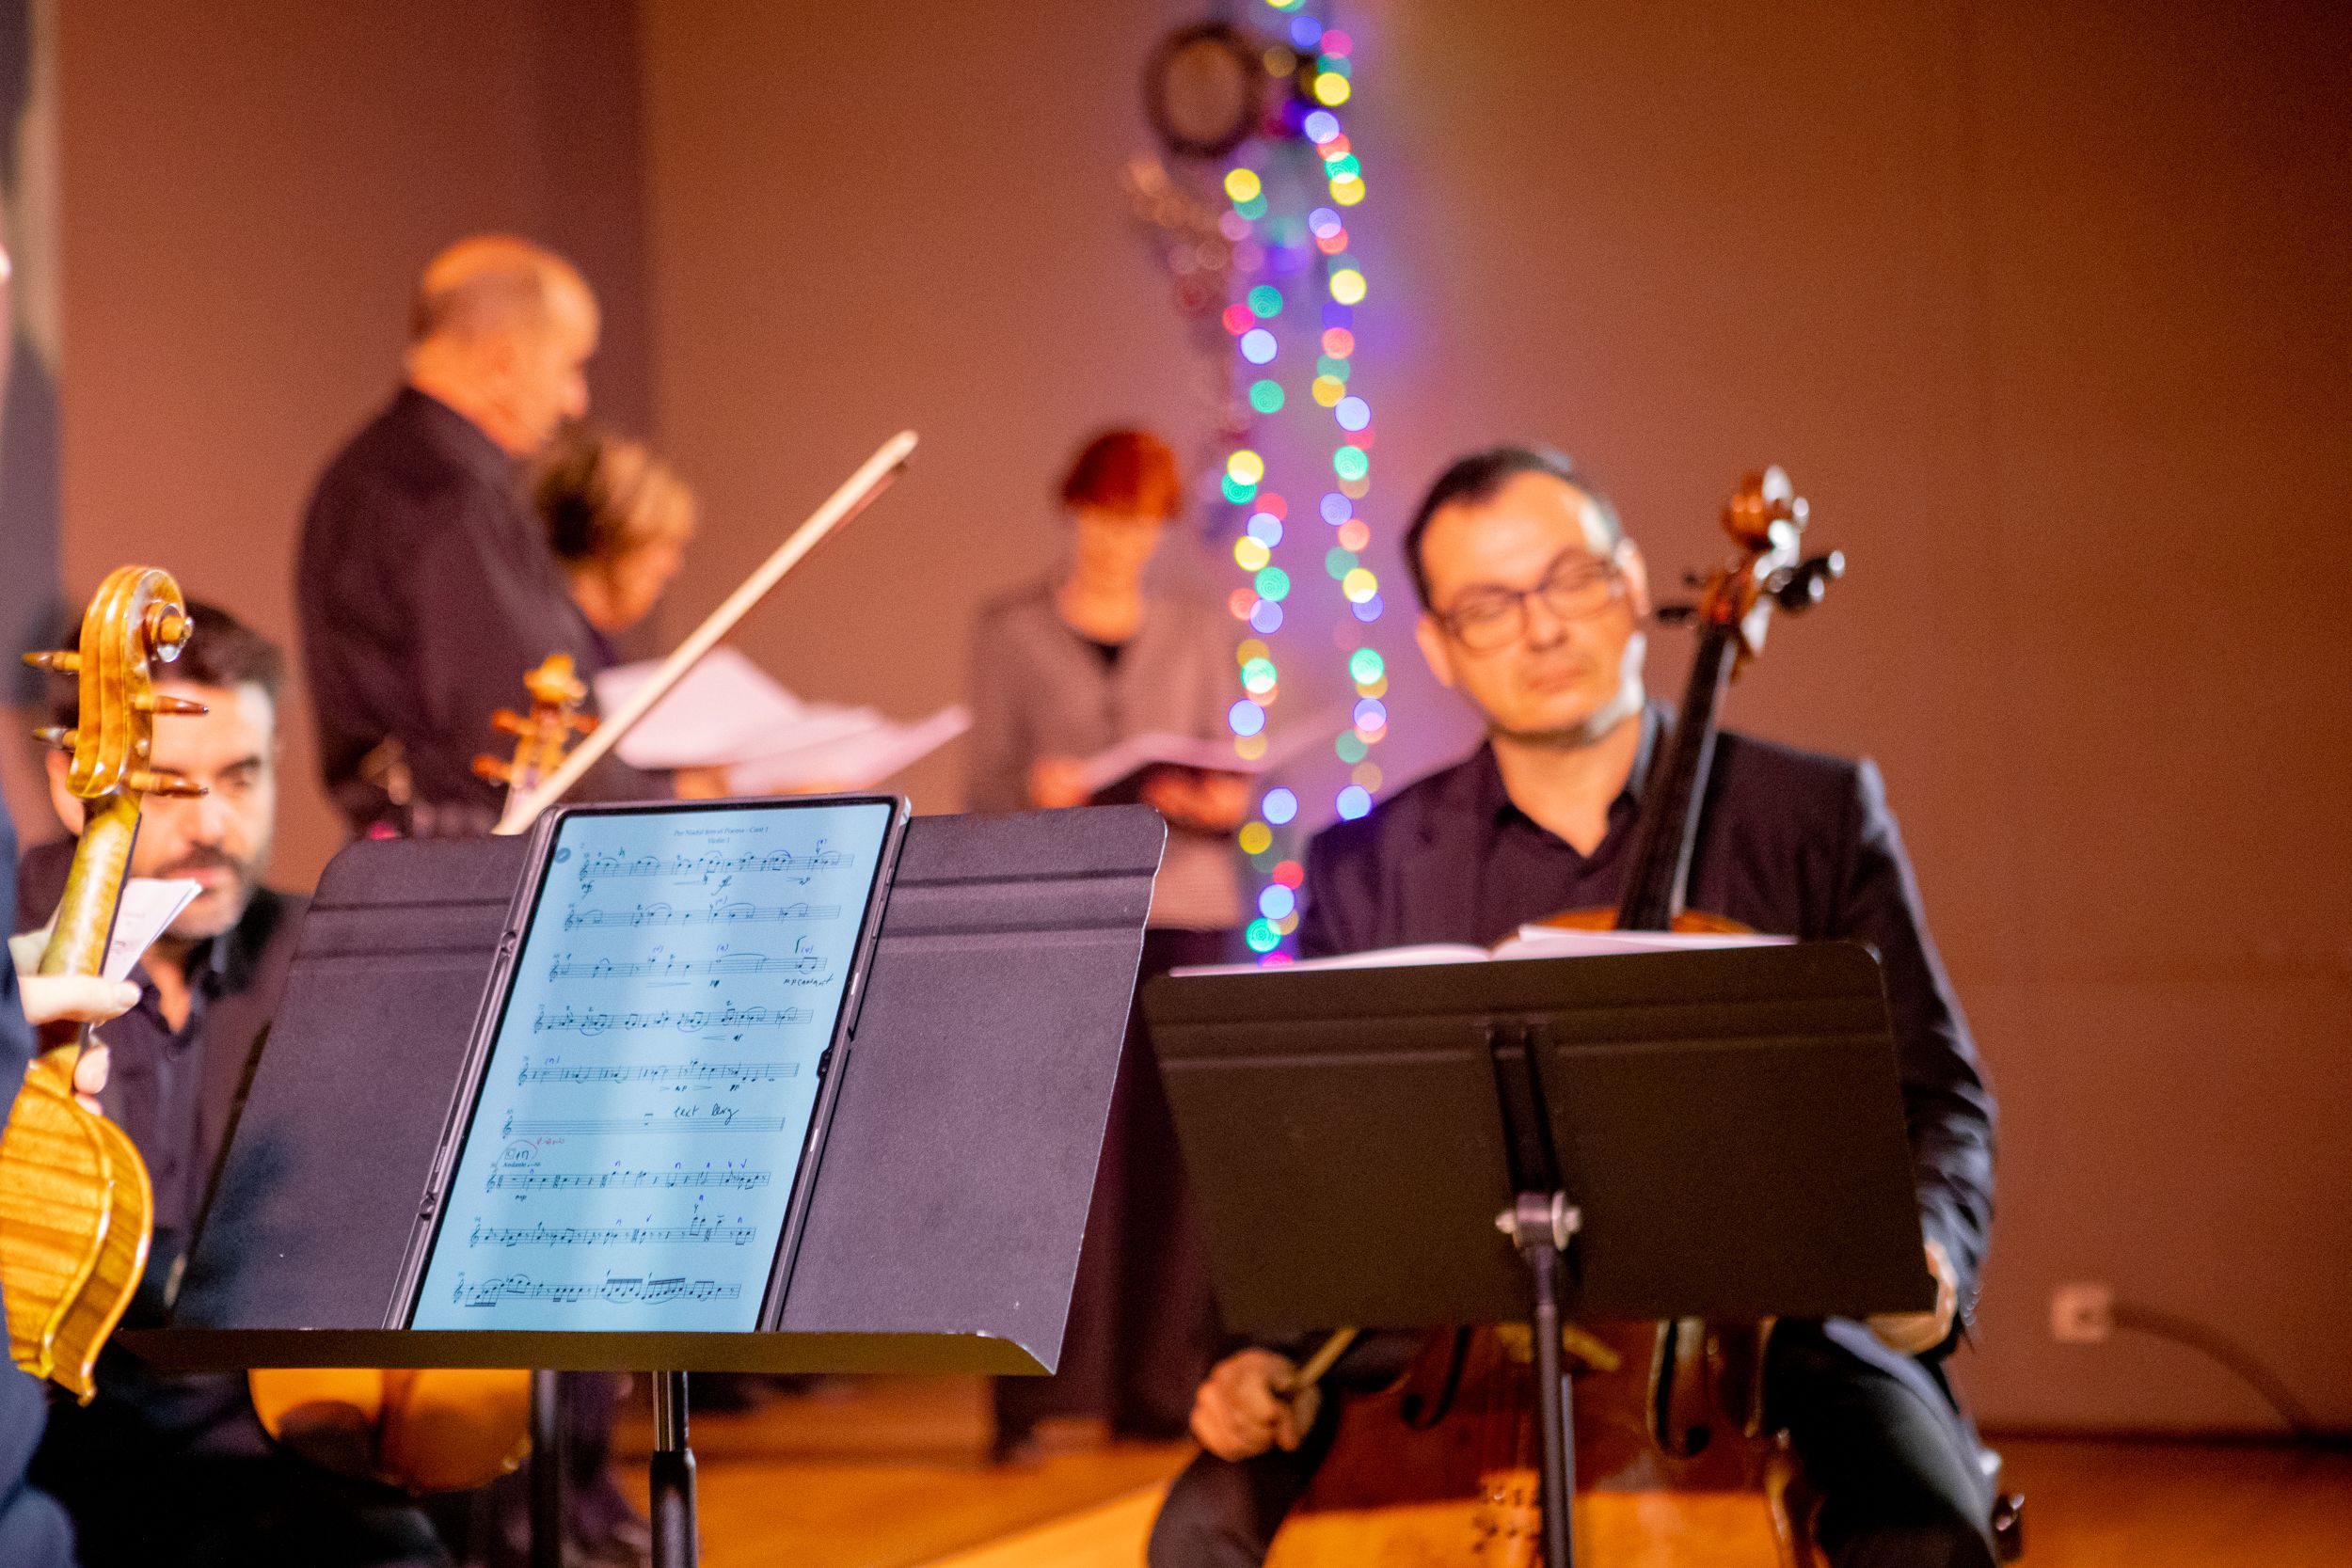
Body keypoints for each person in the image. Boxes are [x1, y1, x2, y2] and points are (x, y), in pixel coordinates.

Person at [1149, 446, 1999, 1568]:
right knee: (1196, 1532)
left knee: (1920, 1535)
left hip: (1777, 1338)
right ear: (1439, 647)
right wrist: (1261, 1350)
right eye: (1489, 605)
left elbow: (1934, 1096)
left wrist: (1926, 1262)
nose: (1542, 629)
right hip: (1435, 1347)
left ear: (1633, 580)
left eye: (1570, 579)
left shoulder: (1812, 812)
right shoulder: (1368, 858)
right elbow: (1307, 1166)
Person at [15, 601, 449, 1568]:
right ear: (68, 774)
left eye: (242, 777)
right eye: (168, 784)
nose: (213, 824)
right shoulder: (15, 965)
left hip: (257, 1451)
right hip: (50, 1453)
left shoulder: (323, 955)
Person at [965, 429, 1247, 1452]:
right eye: (1106, 514)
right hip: (1071, 907)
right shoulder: (1010, 627)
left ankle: (1158, 1385)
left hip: (1187, 906)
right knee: (1061, 1156)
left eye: (1142, 520)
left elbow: (1231, 771)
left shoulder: (1197, 625)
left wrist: (1209, 795)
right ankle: (1040, 1394)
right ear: (1071, 508)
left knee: (1177, 1161)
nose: (1122, 538)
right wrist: (1038, 790)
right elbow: (984, 785)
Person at [297, 234, 664, 839]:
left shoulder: (364, 472)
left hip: (412, 856)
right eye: (570, 366)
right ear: (505, 361)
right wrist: (686, 798)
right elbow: (512, 720)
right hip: (470, 870)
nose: (577, 401)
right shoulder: (450, 496)